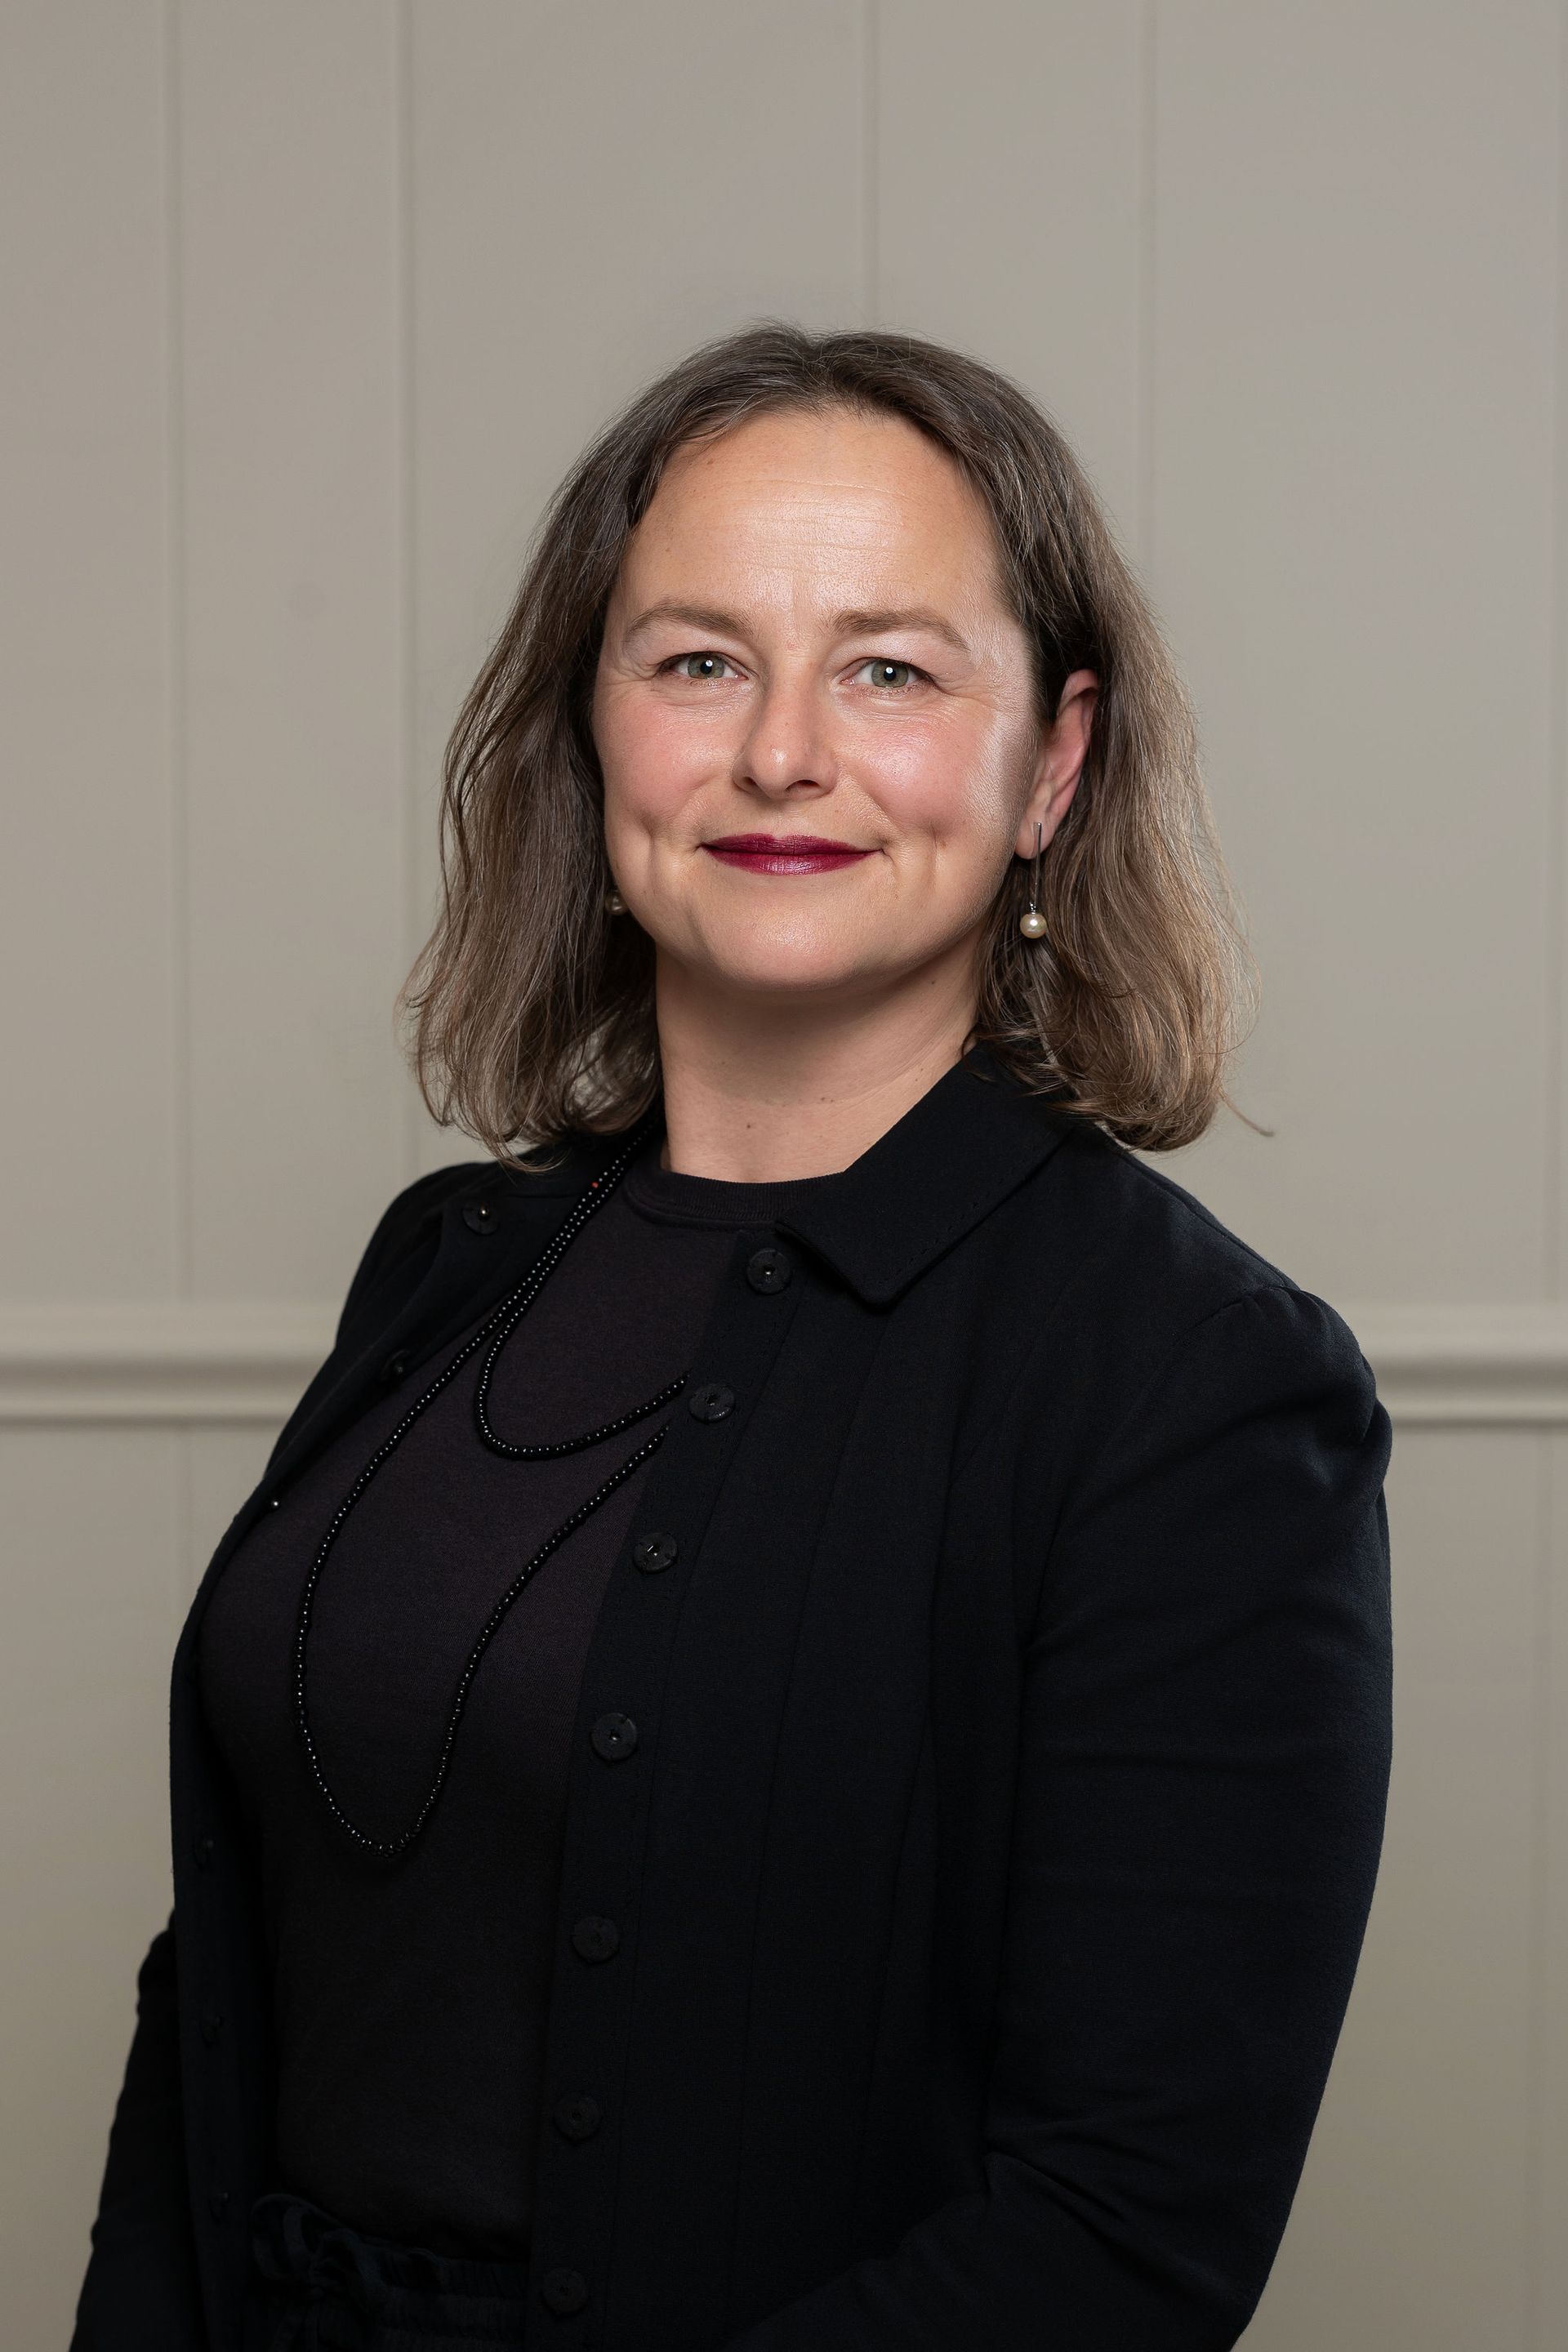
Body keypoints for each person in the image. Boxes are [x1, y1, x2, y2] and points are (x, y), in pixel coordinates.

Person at [72, 322, 1393, 2352]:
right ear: (591, 730)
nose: (782, 752)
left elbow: (1123, 2236)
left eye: (891, 670)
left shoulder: (1193, 1383)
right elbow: (228, 1981)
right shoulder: (446, 1267)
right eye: (698, 660)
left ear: (1052, 763)